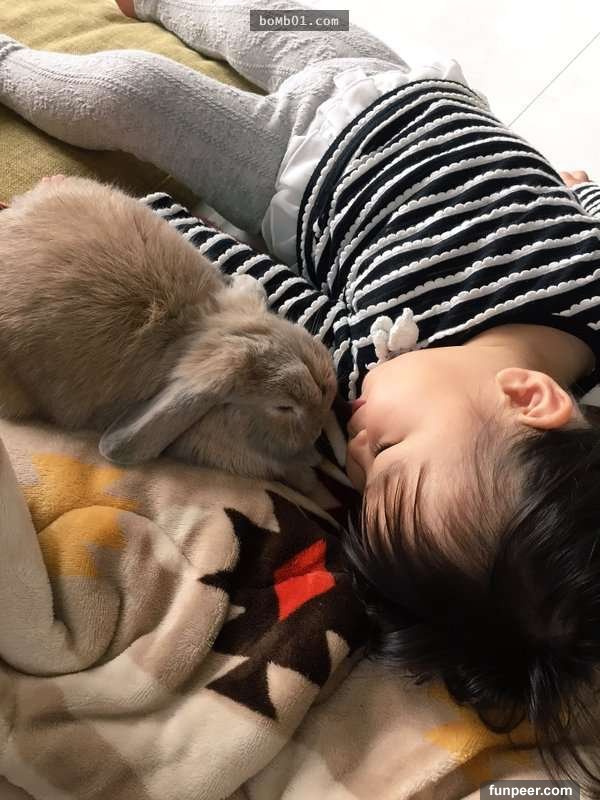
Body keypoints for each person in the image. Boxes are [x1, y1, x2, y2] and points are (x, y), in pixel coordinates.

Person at [1, 1, 600, 789]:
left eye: (363, 478)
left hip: (294, 157)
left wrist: (158, 220)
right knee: (268, 13)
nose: (356, 449)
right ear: (530, 398)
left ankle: (10, 63)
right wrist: (579, 193)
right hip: (407, 85)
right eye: (390, 452)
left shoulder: (360, 359)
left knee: (127, 91)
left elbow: (248, 301)